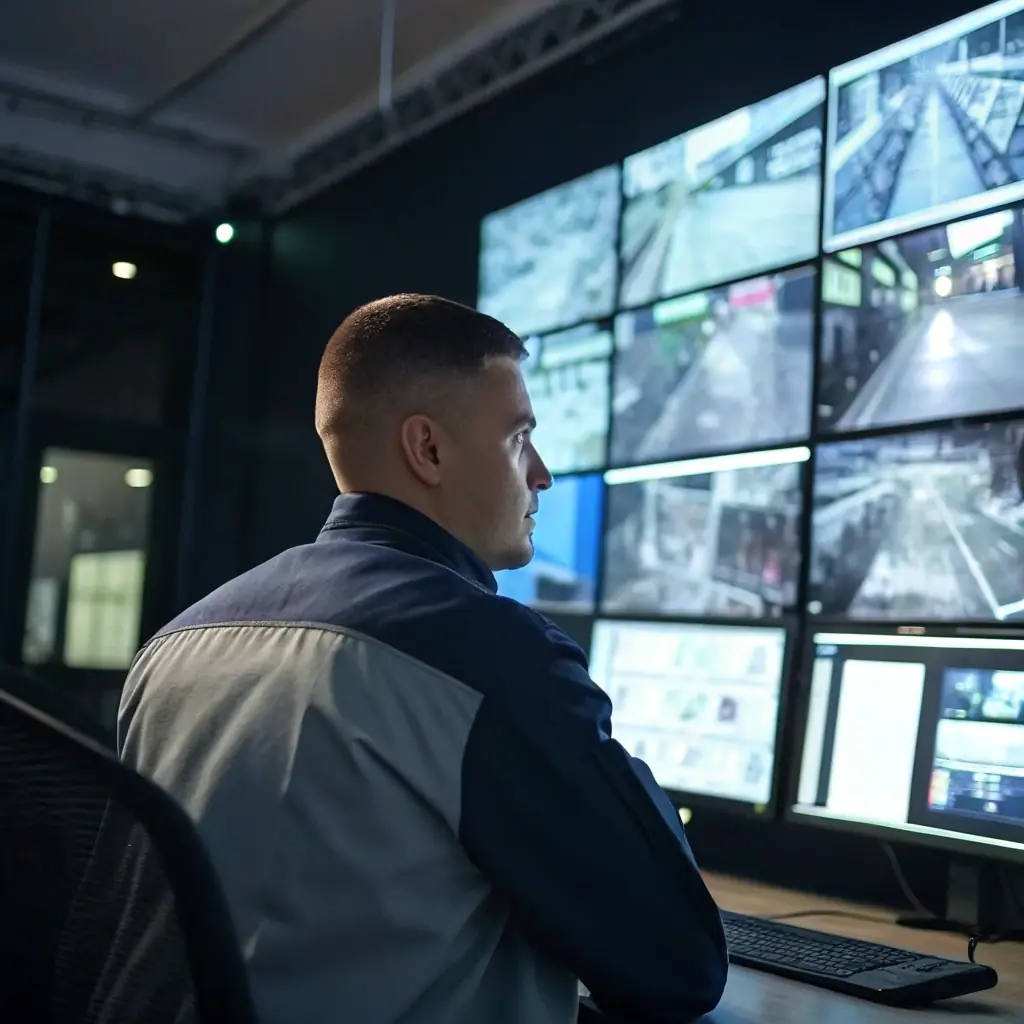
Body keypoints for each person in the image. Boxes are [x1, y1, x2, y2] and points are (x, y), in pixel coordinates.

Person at [118, 294, 728, 1024]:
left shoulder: (175, 643)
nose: (541, 474)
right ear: (428, 450)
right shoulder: (487, 654)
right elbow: (679, 966)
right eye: (519, 439)